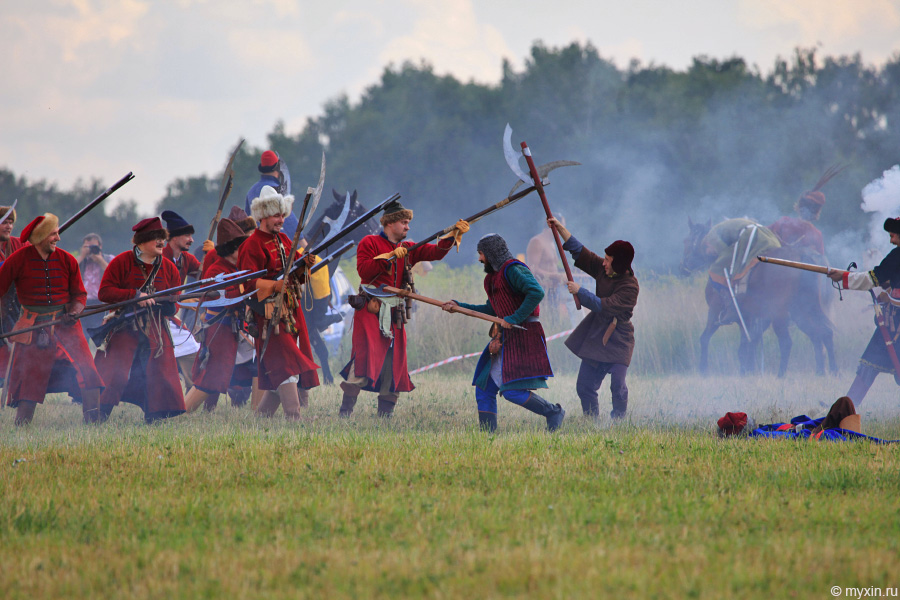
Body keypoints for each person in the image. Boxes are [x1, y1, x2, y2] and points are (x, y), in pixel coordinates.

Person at [337, 199, 466, 418]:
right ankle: (345, 412)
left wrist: (452, 235)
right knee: (364, 357)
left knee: (393, 363)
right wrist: (387, 258)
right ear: (390, 223)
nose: (407, 227)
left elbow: (435, 253)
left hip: (395, 314)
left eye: (408, 223)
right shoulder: (369, 242)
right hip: (371, 309)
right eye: (404, 222)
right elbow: (365, 271)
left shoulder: (407, 247)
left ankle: (384, 417)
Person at [442, 233, 562, 432]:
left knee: (513, 392)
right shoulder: (491, 278)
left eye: (481, 254)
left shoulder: (513, 270)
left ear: (491, 253)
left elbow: (536, 292)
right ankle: (488, 437)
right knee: (484, 388)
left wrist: (514, 318)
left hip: (524, 335)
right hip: (505, 336)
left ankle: (553, 411)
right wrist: (458, 306)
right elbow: (492, 309)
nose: (480, 258)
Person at [0, 214, 105, 425]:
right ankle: (22, 426)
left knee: (88, 370)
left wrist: (74, 311)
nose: (58, 238)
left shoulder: (66, 260)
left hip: (67, 323)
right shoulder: (18, 260)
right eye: (53, 234)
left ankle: (93, 423)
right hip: (33, 326)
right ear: (39, 236)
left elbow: (79, 294)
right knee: (31, 378)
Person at [238, 185, 319, 420]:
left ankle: (260, 421)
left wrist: (304, 265)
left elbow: (293, 276)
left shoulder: (284, 239)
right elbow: (246, 286)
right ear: (263, 216)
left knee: (282, 368)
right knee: (285, 363)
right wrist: (273, 285)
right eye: (276, 215)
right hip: (268, 317)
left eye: (282, 215)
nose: (281, 220)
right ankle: (295, 416)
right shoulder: (251, 245)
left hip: (290, 312)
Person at [93, 217, 186, 423]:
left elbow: (176, 298)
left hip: (156, 328)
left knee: (158, 373)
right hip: (125, 326)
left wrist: (170, 306)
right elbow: (105, 292)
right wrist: (135, 296)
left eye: (162, 238)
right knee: (114, 373)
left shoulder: (169, 267)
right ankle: (100, 414)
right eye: (156, 238)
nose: (161, 242)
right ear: (142, 241)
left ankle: (154, 417)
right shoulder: (121, 261)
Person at [549, 217, 639, 419]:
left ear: (619, 263)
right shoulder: (604, 269)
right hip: (598, 334)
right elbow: (581, 252)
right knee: (584, 386)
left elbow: (603, 306)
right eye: (605, 259)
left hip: (620, 338)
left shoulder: (630, 286)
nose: (603, 262)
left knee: (618, 384)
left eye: (608, 260)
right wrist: (560, 227)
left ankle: (618, 421)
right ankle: (592, 422)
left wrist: (580, 291)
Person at [827, 217, 900, 405]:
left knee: (869, 365)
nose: (891, 240)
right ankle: (846, 408)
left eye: (893, 235)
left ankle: (845, 409)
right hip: (893, 321)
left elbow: (872, 279)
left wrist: (844, 277)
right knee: (869, 364)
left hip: (896, 324)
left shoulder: (897, 256)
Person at [183, 218, 250, 412]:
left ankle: (197, 410)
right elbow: (230, 297)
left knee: (217, 374)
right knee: (212, 375)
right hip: (220, 326)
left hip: (229, 327)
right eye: (240, 248)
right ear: (231, 249)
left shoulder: (234, 269)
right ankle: (183, 412)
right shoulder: (217, 270)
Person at [700, 218, 780, 324]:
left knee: (716, 268)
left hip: (751, 235)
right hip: (768, 236)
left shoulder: (711, 237)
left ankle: (730, 306)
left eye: (708, 251)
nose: (711, 253)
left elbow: (724, 252)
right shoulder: (721, 229)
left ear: (707, 244)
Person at [160, 210, 202, 387]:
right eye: (187, 235)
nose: (191, 240)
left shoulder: (186, 259)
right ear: (174, 238)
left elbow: (206, 277)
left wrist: (212, 255)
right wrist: (183, 301)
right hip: (155, 316)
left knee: (191, 349)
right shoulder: (160, 257)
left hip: (170, 316)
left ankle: (191, 394)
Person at [527, 213, 578, 326]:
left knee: (554, 322)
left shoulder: (551, 243)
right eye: (561, 225)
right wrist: (556, 276)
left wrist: (562, 273)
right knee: (545, 322)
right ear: (552, 225)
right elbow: (532, 269)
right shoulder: (537, 241)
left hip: (554, 291)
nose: (562, 229)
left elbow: (551, 266)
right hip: (542, 291)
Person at [245, 150, 300, 239]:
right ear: (278, 169)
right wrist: (304, 243)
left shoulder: (251, 191)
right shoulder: (277, 190)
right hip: (277, 239)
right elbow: (289, 220)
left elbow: (247, 222)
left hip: (256, 238)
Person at [77, 233, 114, 340]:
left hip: (102, 304)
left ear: (100, 246)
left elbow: (114, 274)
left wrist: (100, 260)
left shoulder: (108, 258)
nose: (90, 250)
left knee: (102, 336)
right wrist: (82, 256)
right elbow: (68, 271)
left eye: (93, 247)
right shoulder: (79, 261)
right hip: (83, 304)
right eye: (87, 247)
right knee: (83, 337)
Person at [0, 204, 25, 336]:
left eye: (10, 223)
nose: (9, 226)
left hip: (16, 306)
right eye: (4, 222)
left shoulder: (20, 244)